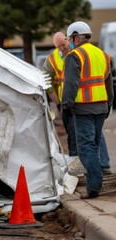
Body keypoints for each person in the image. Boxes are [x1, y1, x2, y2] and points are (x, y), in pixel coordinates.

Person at [62, 21, 114, 199]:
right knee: (95, 145)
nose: (69, 42)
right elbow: (108, 84)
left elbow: (71, 84)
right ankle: (95, 178)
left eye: (70, 38)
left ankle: (93, 185)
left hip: (83, 107)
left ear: (76, 37)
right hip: (101, 106)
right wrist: (108, 105)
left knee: (86, 148)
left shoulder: (74, 55)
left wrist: (66, 106)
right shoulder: (103, 55)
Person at [43, 32, 77, 156]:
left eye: (63, 45)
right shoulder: (51, 60)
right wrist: (57, 103)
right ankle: (74, 157)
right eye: (59, 47)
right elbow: (47, 83)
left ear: (67, 40)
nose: (63, 48)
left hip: (81, 100)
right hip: (65, 102)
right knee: (71, 132)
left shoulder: (77, 52)